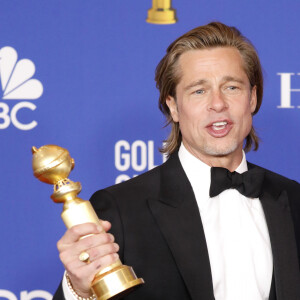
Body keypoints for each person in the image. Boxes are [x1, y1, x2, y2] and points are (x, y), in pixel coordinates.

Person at [53, 22, 300, 300]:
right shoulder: (120, 209)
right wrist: (80, 289)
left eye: (231, 87)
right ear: (173, 106)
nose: (218, 104)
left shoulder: (293, 200)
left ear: (252, 98)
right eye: (199, 90)